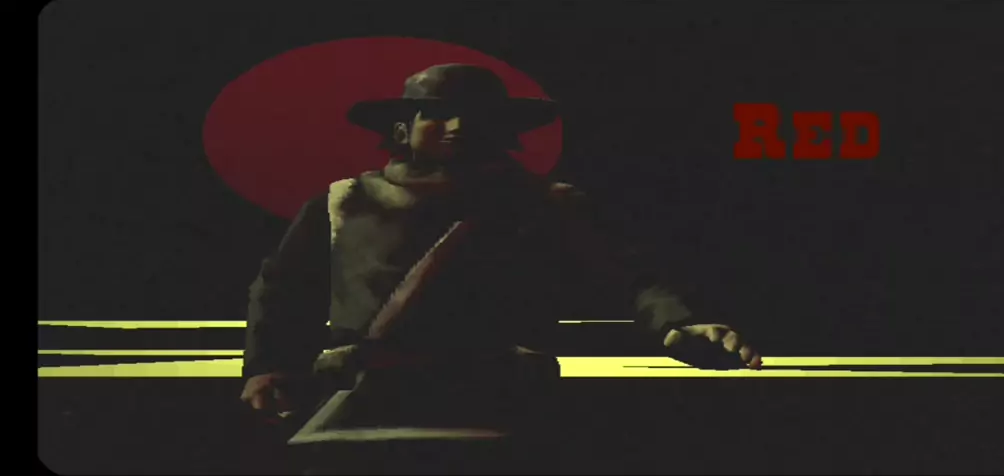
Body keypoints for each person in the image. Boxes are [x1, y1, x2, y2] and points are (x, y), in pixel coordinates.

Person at [239, 63, 763, 470]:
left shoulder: (547, 204)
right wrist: (267, 365)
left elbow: (632, 278)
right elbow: (284, 288)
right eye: (439, 113)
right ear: (404, 127)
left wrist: (680, 324)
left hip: (504, 394)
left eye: (476, 115)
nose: (459, 126)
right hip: (363, 393)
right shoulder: (343, 202)